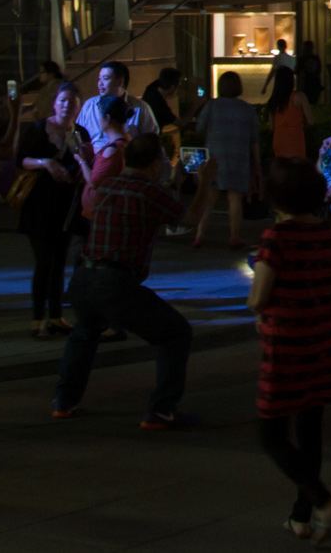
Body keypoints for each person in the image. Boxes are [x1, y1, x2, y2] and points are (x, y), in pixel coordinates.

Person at [52, 132, 197, 428]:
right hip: (117, 283)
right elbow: (188, 219)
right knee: (176, 333)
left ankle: (64, 401)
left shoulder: (107, 186)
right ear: (156, 164)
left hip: (85, 276)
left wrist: (172, 185)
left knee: (84, 332)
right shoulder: (148, 191)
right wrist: (205, 182)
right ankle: (161, 409)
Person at [251, 164, 331, 541]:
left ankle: (323, 501)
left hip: (286, 342)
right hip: (323, 339)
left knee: (271, 432)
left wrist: (258, 306)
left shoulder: (276, 237)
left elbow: (258, 297)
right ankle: (301, 515)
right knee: (311, 430)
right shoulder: (328, 234)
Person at [16, 82, 85, 337]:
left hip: (66, 206)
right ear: (55, 103)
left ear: (78, 106)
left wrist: (79, 168)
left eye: (73, 102)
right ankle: (37, 320)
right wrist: (45, 163)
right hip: (39, 205)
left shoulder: (79, 133)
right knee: (44, 262)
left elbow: (84, 165)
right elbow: (20, 159)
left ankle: (55, 316)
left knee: (58, 262)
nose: (67, 105)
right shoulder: (38, 129)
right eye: (63, 100)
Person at [193, 70, 259, 248]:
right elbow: (254, 141)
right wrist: (257, 168)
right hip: (239, 159)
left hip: (215, 158)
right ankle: (234, 237)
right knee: (235, 199)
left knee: (209, 197)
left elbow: (199, 128)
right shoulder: (247, 109)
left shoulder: (212, 106)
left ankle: (199, 235)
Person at [265, 61, 313, 177]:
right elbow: (311, 121)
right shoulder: (299, 97)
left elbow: (272, 127)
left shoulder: (273, 101)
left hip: (279, 139)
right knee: (297, 173)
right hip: (295, 138)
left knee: (282, 173)